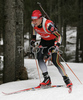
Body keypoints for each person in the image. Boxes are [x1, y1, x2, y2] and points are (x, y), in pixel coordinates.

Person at [30, 10, 73, 88]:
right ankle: (47, 79)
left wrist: (57, 45)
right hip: (44, 41)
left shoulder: (48, 25)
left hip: (53, 42)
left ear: (40, 18)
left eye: (35, 20)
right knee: (39, 57)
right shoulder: (33, 24)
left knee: (55, 61)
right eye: (32, 20)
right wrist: (33, 39)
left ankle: (66, 79)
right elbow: (34, 30)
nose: (34, 22)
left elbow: (59, 35)